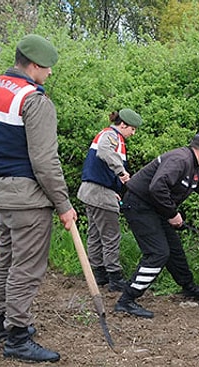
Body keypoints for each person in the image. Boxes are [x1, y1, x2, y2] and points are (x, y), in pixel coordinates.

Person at [0, 34, 77, 363]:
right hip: (28, 198)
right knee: (27, 269)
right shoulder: (34, 100)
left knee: (6, 261)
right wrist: (64, 205)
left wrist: (5, 149)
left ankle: (0, 326)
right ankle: (17, 336)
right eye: (48, 68)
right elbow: (45, 163)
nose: (50, 74)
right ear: (33, 65)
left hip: (0, 192)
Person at [114, 129, 199, 318]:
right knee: (158, 253)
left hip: (155, 209)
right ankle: (127, 299)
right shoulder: (180, 160)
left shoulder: (192, 167)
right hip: (139, 206)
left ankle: (188, 287)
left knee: (174, 249)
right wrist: (172, 214)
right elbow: (157, 186)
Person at [78, 109, 142, 292]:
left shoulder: (106, 134)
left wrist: (112, 189)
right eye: (132, 129)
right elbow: (105, 152)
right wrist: (121, 172)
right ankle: (115, 278)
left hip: (91, 191)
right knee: (111, 236)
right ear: (123, 125)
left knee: (95, 234)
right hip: (99, 193)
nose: (133, 133)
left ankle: (98, 274)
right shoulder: (111, 136)